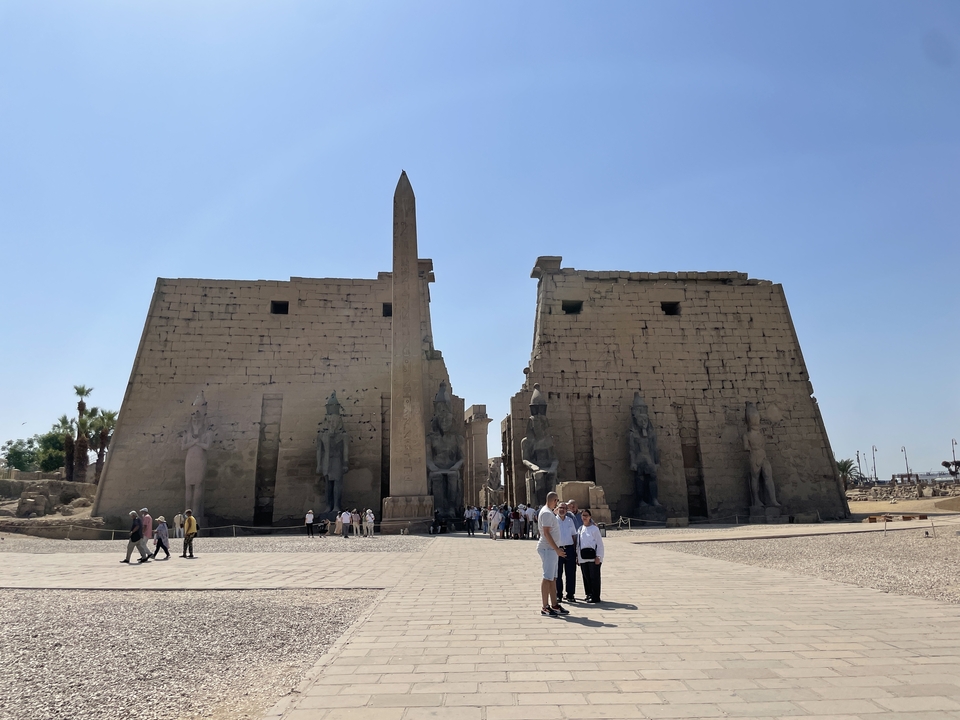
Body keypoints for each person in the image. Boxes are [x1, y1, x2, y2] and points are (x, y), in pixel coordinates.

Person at [536, 492, 568, 616]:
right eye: (557, 501)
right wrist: (557, 549)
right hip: (548, 549)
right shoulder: (547, 513)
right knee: (547, 577)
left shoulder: (549, 512)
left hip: (551, 549)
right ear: (554, 500)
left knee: (553, 578)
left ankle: (554, 605)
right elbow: (546, 533)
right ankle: (545, 606)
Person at [577, 509, 604, 603]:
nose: (584, 517)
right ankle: (588, 594)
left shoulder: (594, 529)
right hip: (583, 556)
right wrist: (578, 557)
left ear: (590, 517)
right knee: (586, 577)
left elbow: (599, 544)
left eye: (586, 515)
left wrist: (599, 556)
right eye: (583, 515)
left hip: (593, 557)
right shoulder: (580, 529)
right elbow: (578, 544)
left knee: (594, 577)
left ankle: (595, 596)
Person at [555, 502, 578, 602]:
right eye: (560, 508)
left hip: (569, 548)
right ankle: (558, 594)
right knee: (558, 573)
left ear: (566, 510)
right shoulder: (553, 521)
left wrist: (575, 550)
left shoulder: (570, 520)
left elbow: (573, 535)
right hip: (558, 549)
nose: (562, 510)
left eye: (564, 508)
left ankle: (570, 594)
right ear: (557, 509)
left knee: (571, 573)